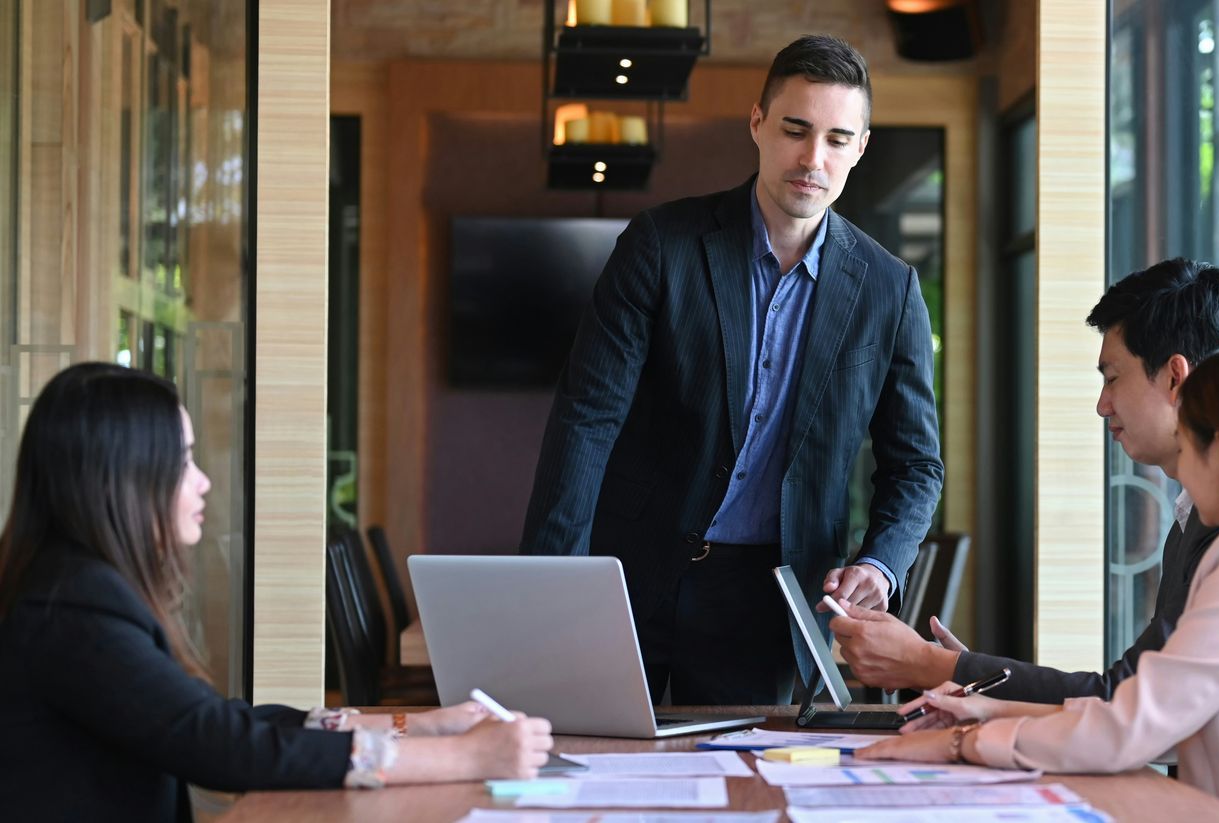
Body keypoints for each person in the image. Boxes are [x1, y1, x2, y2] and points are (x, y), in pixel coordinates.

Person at [519, 34, 942, 705]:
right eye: (795, 129)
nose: (812, 158)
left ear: (860, 147)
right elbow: (587, 417)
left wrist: (881, 559)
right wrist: (553, 582)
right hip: (627, 572)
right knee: (593, 774)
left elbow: (916, 464)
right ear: (757, 123)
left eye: (837, 139)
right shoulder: (662, 245)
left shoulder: (890, 290)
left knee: (741, 793)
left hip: (767, 599)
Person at [861, 344, 1219, 822]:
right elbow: (1174, 720)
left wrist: (964, 743)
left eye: (1188, 447)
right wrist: (993, 710)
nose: (1183, 477)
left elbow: (1136, 724)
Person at [0, 364, 554, 822]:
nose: (202, 481)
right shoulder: (73, 608)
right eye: (184, 459)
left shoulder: (71, 587)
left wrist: (418, 725)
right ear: (121, 477)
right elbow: (223, 747)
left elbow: (221, 720)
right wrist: (463, 755)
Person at [828, 258, 1219, 701]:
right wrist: (965, 678)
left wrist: (932, 665)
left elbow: (1129, 700)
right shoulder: (1198, 513)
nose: (1102, 405)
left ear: (1174, 377)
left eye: (1112, 378)